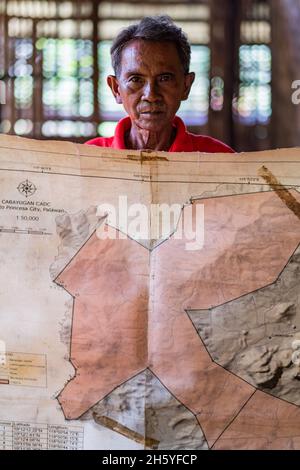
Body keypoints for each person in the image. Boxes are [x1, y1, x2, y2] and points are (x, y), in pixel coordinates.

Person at [86, 15, 234, 153]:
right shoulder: (86, 158)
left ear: (186, 86)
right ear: (116, 89)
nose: (151, 95)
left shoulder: (220, 157)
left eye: (164, 78)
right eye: (136, 79)